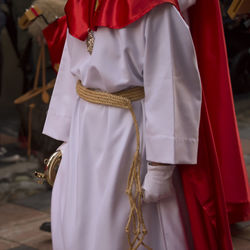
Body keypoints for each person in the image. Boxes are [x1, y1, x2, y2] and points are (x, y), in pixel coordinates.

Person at [43, 0, 250, 249]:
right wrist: (66, 138)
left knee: (122, 222)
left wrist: (161, 167)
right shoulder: (81, 4)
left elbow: (171, 85)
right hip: (84, 130)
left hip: (129, 131)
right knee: (82, 217)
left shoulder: (156, 10)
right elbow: (70, 71)